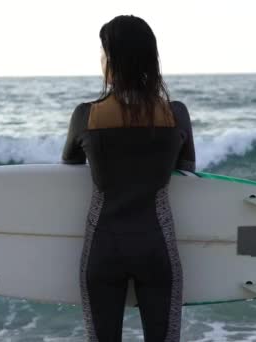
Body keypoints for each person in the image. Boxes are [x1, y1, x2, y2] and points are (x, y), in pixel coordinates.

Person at [61, 14, 196, 342]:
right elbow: (188, 169)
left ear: (111, 59)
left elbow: (69, 163)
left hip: (103, 248)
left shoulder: (86, 116)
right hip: (157, 247)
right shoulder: (175, 114)